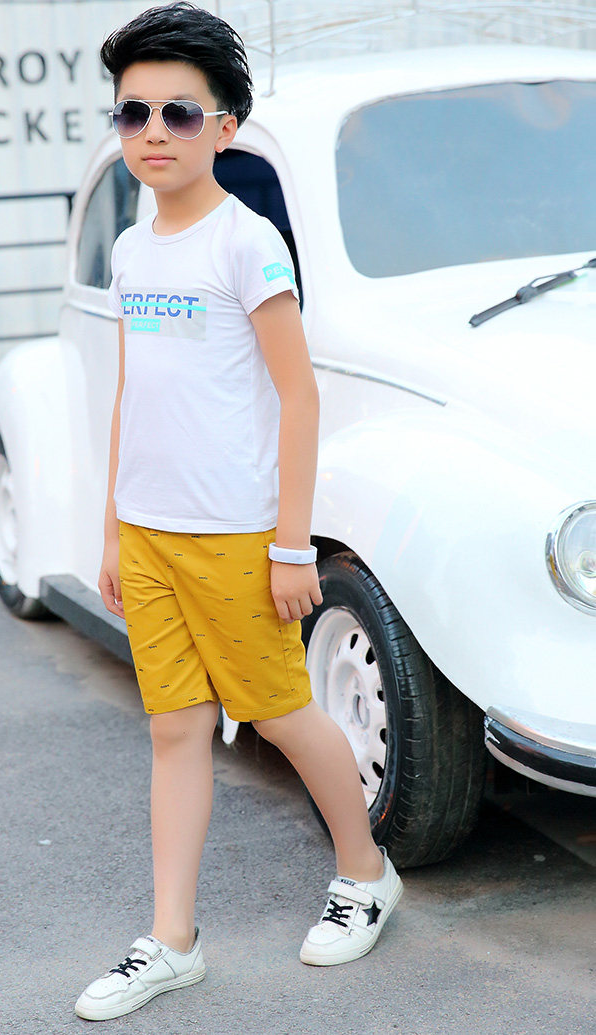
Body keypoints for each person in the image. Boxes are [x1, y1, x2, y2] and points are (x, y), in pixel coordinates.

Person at [75, 2, 402, 1022]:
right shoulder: (133, 250)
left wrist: (292, 543)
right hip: (150, 536)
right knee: (176, 729)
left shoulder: (247, 243)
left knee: (281, 712)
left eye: (179, 112)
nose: (154, 132)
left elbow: (299, 397)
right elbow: (132, 393)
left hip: (236, 537)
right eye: (133, 112)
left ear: (224, 127)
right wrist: (112, 529)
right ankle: (173, 939)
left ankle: (366, 873)